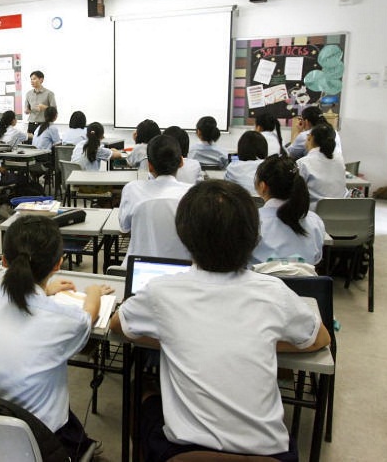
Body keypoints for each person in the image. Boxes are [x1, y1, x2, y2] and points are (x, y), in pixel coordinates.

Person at [110, 180, 331, 461]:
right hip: (269, 455)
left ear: (184, 235)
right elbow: (320, 339)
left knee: (142, 390)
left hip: (184, 453)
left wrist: (176, 337)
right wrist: (256, 341)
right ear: (253, 236)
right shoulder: (274, 291)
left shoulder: (161, 291)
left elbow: (119, 325)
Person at [0, 214, 111, 458]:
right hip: (39, 439)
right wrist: (94, 292)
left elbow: (16, 298)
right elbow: (89, 316)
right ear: (58, 264)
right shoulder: (67, 320)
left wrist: (43, 291)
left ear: (4, 260)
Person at [119, 135, 192, 260]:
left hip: (137, 269)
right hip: (181, 270)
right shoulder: (193, 194)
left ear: (149, 166)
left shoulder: (132, 189)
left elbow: (124, 230)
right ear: (181, 162)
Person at [252, 155, 325, 266]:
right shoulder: (315, 222)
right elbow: (316, 260)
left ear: (263, 186)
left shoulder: (252, 221)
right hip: (306, 283)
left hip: (260, 281)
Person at [297, 123, 347, 210]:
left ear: (310, 137)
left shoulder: (303, 163)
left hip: (314, 216)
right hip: (340, 214)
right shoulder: (340, 160)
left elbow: (295, 194)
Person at [224, 131, 268, 196]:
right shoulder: (269, 167)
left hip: (239, 205)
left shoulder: (232, 168)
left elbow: (226, 189)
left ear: (240, 149)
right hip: (266, 204)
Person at [24, 70, 57, 135]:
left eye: (34, 79)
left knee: (43, 143)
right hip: (32, 124)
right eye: (31, 79)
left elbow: (54, 111)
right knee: (30, 144)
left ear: (41, 80)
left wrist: (45, 108)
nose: (32, 81)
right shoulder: (28, 94)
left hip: (44, 124)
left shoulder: (49, 93)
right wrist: (27, 111)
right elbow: (27, 109)